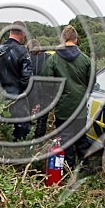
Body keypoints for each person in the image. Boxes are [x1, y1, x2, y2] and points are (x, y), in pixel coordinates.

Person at [40, 25, 92, 169]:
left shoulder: (53, 59)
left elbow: (47, 82)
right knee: (81, 137)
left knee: (66, 138)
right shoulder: (86, 59)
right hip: (80, 107)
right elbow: (91, 83)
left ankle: (69, 166)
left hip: (63, 107)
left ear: (63, 39)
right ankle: (85, 166)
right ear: (76, 39)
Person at [0, 21, 32, 141]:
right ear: (22, 33)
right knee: (20, 135)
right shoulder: (23, 51)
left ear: (10, 32)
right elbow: (27, 78)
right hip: (17, 98)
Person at [26, 38, 50, 139]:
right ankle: (39, 140)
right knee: (42, 118)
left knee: (27, 116)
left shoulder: (26, 58)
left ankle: (26, 139)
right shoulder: (48, 57)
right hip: (44, 89)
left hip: (29, 90)